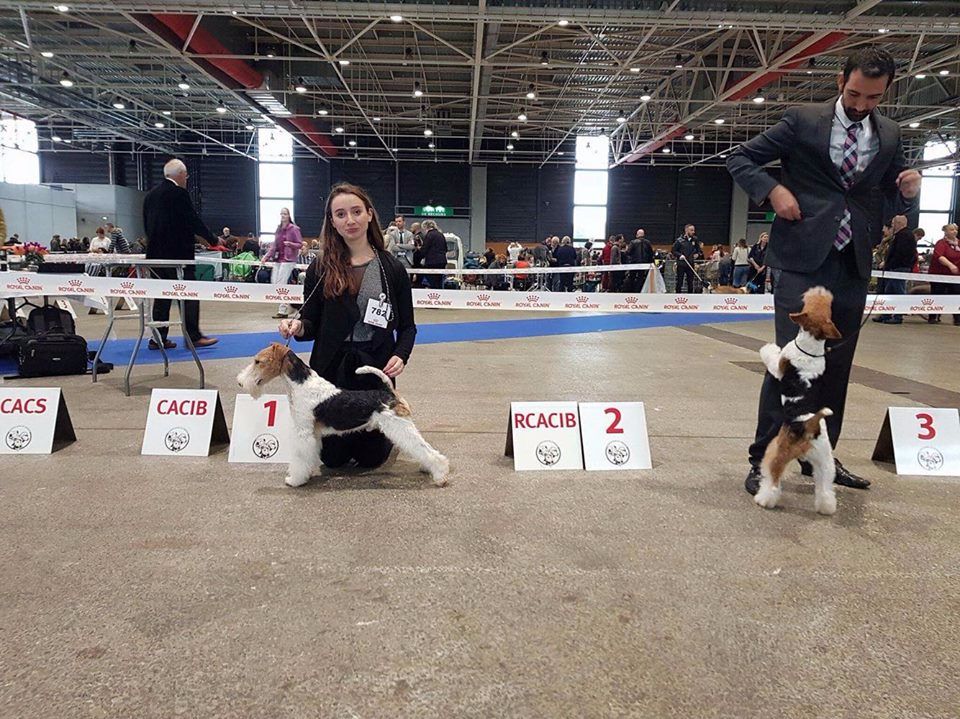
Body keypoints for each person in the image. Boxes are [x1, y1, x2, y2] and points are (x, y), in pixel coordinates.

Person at [727, 47, 921, 495]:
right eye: (854, 94)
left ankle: (820, 457)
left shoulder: (890, 133)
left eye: (873, 98)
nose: (861, 105)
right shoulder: (802, 120)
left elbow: (886, 197)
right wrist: (773, 191)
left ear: (886, 91)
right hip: (801, 257)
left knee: (837, 366)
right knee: (792, 364)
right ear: (840, 82)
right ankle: (764, 459)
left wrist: (908, 194)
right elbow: (740, 158)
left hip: (852, 261)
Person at [278, 182, 416, 471]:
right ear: (332, 221)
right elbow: (310, 322)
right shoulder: (320, 268)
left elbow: (408, 327)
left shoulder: (392, 268)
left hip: (373, 370)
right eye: (340, 214)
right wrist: (298, 326)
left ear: (369, 214)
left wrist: (400, 355)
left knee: (371, 459)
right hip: (330, 372)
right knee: (333, 459)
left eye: (356, 211)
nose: (350, 220)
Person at [143, 158, 219, 350]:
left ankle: (158, 339)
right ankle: (193, 337)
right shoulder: (179, 193)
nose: (186, 179)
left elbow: (146, 225)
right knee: (189, 294)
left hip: (155, 257)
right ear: (181, 175)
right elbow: (192, 220)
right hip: (178, 256)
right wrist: (213, 240)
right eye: (186, 176)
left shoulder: (150, 196)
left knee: (161, 297)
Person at [872, 215, 916, 325]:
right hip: (894, 268)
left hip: (899, 268)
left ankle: (898, 316)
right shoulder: (900, 235)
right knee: (889, 291)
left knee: (898, 292)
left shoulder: (904, 236)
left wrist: (888, 264)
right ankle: (885, 315)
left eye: (893, 224)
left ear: (899, 223)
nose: (892, 226)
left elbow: (900, 254)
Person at [262, 207, 303, 319]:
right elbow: (274, 245)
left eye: (285, 214)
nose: (283, 215)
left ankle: (283, 310)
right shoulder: (278, 229)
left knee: (281, 285)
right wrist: (266, 257)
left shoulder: (294, 229)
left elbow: (300, 244)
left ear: (289, 215)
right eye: (281, 214)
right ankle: (292, 305)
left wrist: (290, 244)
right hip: (278, 259)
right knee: (274, 283)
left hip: (289, 260)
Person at [927, 223, 960, 325]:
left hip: (955, 276)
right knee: (937, 295)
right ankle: (933, 316)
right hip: (939, 274)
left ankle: (957, 318)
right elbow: (940, 257)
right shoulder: (941, 243)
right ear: (945, 232)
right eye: (951, 230)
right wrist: (951, 265)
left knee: (956, 295)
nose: (954, 231)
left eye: (955, 229)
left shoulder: (958, 243)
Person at [671, 224, 702, 293]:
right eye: (691, 230)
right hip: (681, 264)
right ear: (686, 230)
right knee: (680, 281)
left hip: (690, 263)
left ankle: (690, 295)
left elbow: (699, 250)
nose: (693, 232)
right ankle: (677, 295)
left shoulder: (695, 240)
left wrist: (697, 254)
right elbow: (673, 251)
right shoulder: (679, 240)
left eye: (694, 230)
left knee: (690, 282)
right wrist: (680, 255)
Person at [420, 219, 447, 289]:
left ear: (425, 227)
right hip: (442, 261)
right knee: (439, 281)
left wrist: (420, 253)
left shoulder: (429, 235)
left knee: (432, 282)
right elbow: (446, 248)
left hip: (432, 262)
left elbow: (424, 249)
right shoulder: (441, 234)